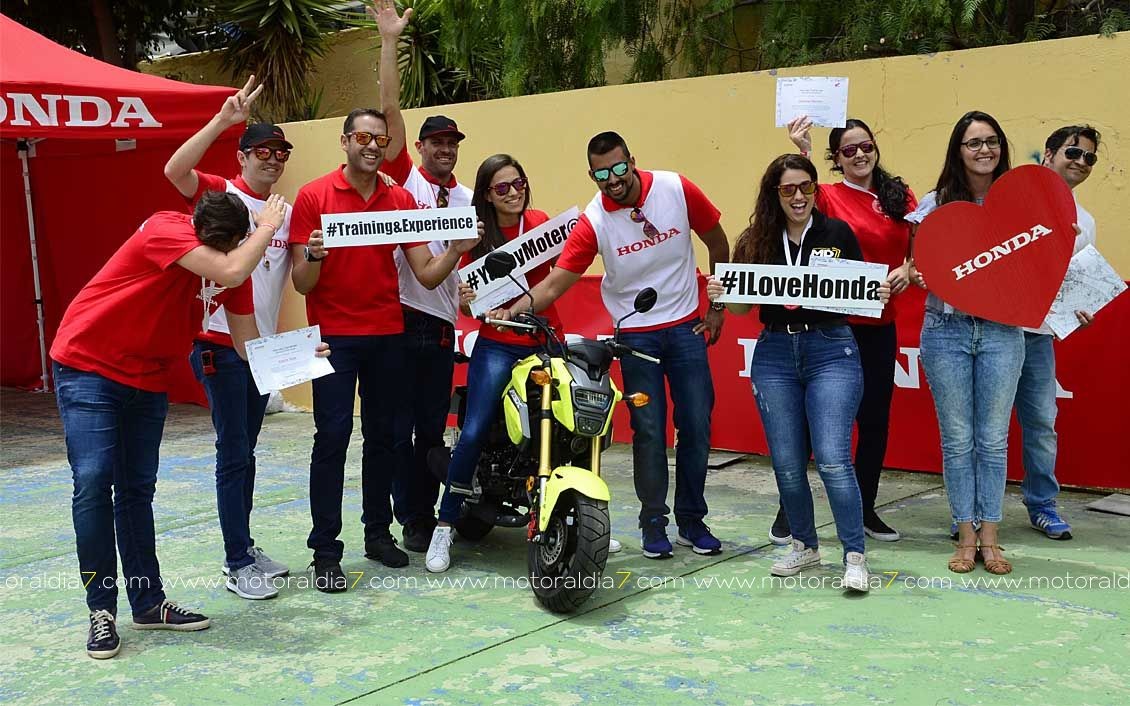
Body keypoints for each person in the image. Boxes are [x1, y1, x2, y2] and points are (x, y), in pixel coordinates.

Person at [51, 190, 288, 658]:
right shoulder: (165, 227)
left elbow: (247, 346)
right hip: (89, 366)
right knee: (94, 482)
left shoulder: (234, 265)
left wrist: (298, 357)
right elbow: (230, 270)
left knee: (136, 490)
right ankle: (101, 610)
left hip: (148, 378)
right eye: (212, 246)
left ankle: (148, 603)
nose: (218, 255)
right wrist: (268, 225)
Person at [491, 131, 730, 559]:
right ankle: (653, 524)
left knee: (696, 426)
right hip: (635, 335)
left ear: (632, 161)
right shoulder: (595, 220)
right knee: (649, 432)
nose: (613, 179)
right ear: (592, 176)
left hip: (686, 329)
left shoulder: (676, 188)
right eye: (602, 174)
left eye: (619, 168)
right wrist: (513, 309)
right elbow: (555, 283)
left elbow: (717, 241)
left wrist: (717, 307)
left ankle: (692, 522)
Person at [288, 107, 479, 592]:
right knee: (332, 439)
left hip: (388, 335)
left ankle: (377, 534)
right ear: (345, 141)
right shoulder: (313, 195)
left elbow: (426, 274)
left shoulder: (400, 200)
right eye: (363, 138)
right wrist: (312, 255)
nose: (372, 146)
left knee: (385, 440)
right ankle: (325, 552)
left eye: (380, 139)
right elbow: (302, 282)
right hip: (332, 339)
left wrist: (455, 249)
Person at [707, 154, 890, 592]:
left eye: (806, 187)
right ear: (774, 194)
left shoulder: (836, 233)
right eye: (788, 189)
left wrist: (876, 291)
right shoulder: (757, 239)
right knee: (787, 463)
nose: (798, 197)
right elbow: (741, 308)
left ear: (815, 190)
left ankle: (854, 555)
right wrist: (721, 293)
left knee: (832, 458)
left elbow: (859, 294)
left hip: (831, 349)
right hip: (774, 353)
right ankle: (805, 545)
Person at [163, 76, 294, 599]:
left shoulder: (282, 211)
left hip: (258, 347)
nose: (273, 159)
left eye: (281, 152)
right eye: (263, 151)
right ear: (242, 157)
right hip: (219, 344)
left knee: (247, 452)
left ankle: (244, 545)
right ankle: (236, 561)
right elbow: (175, 172)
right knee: (234, 452)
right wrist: (221, 120)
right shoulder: (224, 195)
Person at [425, 155, 569, 571]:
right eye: (502, 187)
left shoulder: (540, 223)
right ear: (487, 195)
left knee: (566, 428)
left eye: (518, 183)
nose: (513, 193)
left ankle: (576, 516)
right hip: (498, 344)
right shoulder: (477, 237)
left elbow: (558, 276)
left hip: (545, 338)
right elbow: (468, 305)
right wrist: (465, 300)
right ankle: (445, 524)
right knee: (472, 430)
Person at [780, 116, 916, 544]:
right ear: (836, 159)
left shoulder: (900, 195)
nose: (860, 155)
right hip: (832, 326)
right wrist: (802, 149)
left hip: (879, 324)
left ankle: (865, 509)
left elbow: (920, 246)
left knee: (874, 421)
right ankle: (790, 512)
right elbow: (796, 202)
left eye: (866, 146)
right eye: (849, 150)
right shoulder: (826, 195)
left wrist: (908, 269)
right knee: (811, 422)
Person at [372, 0, 471, 554]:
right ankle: (405, 515)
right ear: (420, 147)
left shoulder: (466, 197)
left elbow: (472, 259)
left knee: (432, 431)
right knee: (396, 428)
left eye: (452, 143)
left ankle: (424, 516)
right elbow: (389, 111)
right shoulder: (404, 179)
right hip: (401, 318)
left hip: (442, 325)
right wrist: (390, 41)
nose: (445, 149)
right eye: (437, 142)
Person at [906, 111, 1021, 575]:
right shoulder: (935, 203)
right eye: (973, 143)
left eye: (991, 141)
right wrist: (917, 273)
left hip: (1002, 330)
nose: (984, 150)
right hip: (946, 329)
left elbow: (1038, 262)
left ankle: (990, 537)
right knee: (957, 440)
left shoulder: (1020, 202)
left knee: (992, 440)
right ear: (958, 150)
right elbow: (915, 264)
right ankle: (965, 537)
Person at [1015, 125, 1101, 540]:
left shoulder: (1086, 222)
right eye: (1073, 152)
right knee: (983, 429)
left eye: (1089, 157)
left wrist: (1081, 311)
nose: (1081, 162)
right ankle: (972, 512)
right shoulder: (1012, 199)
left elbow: (1077, 285)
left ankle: (1043, 505)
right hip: (993, 330)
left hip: (1039, 336)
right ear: (1048, 154)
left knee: (1042, 424)